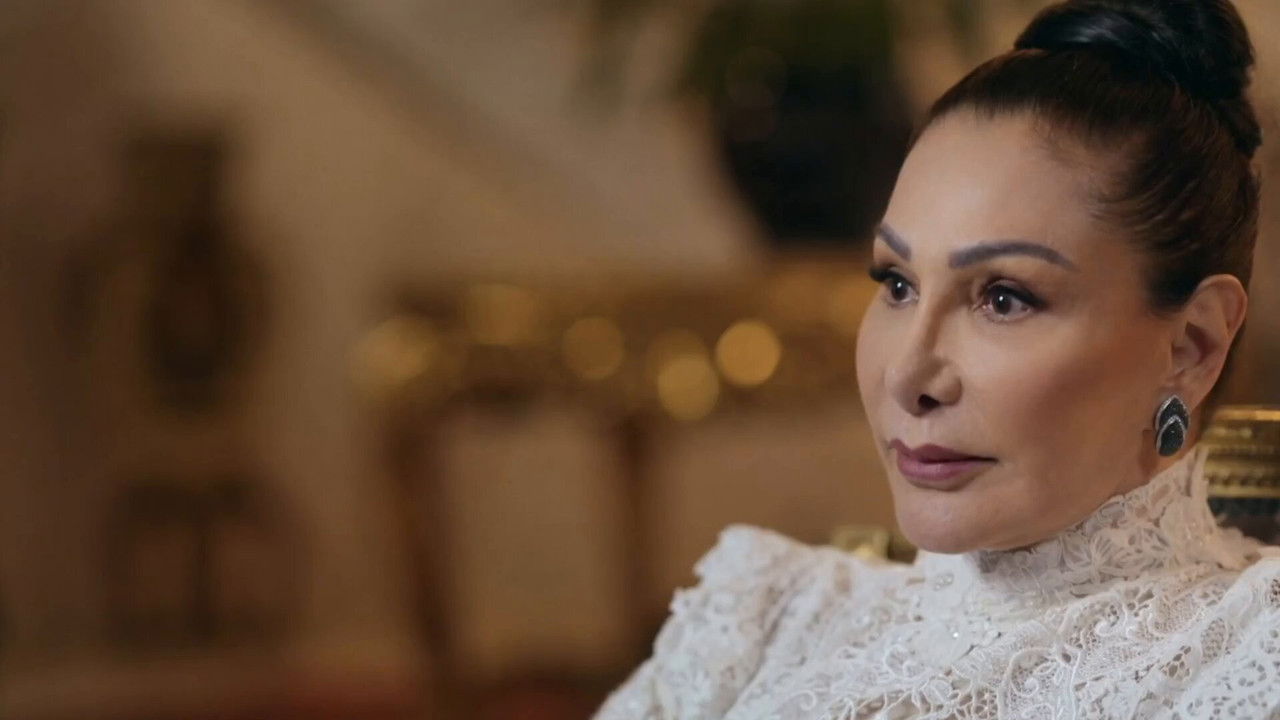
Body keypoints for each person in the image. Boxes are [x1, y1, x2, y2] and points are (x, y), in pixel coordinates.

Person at [591, 0, 1280, 717]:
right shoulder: (768, 619)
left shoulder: (1254, 653)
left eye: (1004, 299)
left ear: (1191, 346)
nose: (907, 375)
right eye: (897, 284)